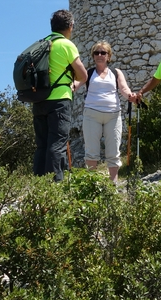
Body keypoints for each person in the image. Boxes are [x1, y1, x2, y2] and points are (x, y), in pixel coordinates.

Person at [32, 10, 88, 181]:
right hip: (59, 100)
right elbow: (83, 75)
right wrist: (74, 85)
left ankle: (39, 186)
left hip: (39, 101)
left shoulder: (42, 44)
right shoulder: (66, 45)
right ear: (70, 26)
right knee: (57, 144)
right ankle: (55, 187)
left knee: (42, 145)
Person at [82, 41, 138, 184]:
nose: (100, 55)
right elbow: (77, 83)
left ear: (108, 56)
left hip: (113, 115)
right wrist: (70, 87)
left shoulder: (115, 72)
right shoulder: (88, 73)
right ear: (93, 56)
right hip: (91, 115)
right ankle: (91, 184)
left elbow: (123, 88)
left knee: (113, 151)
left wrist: (130, 96)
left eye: (103, 53)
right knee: (91, 151)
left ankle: (113, 183)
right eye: (96, 53)